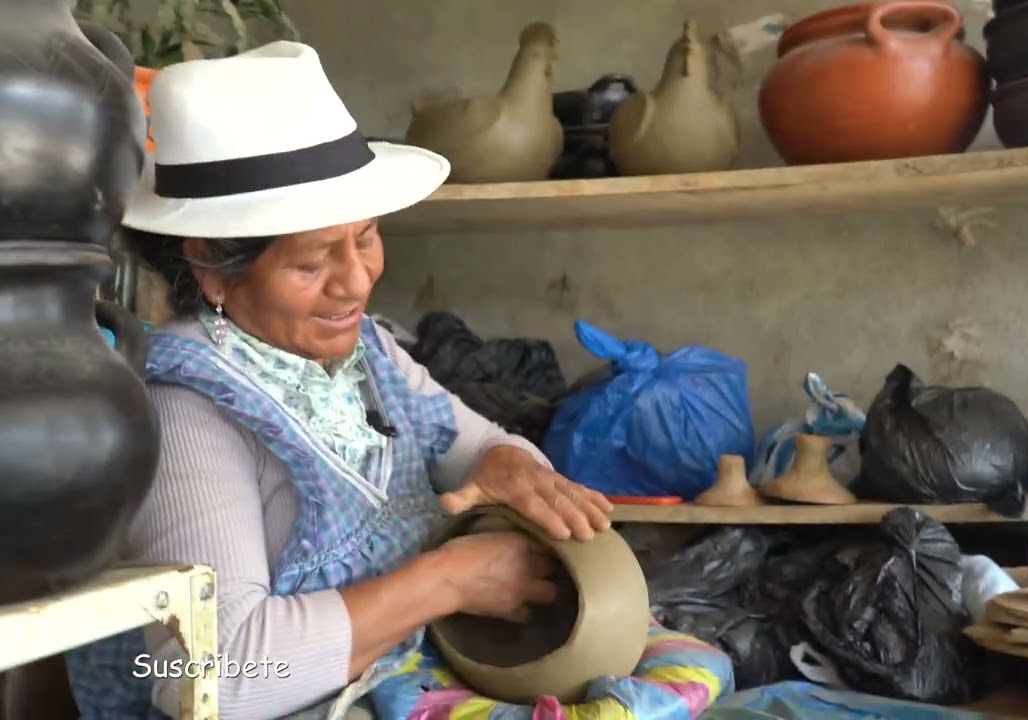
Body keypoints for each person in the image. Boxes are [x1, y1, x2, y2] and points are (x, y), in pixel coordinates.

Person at [62, 41, 618, 720]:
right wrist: (450, 581)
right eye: (314, 260)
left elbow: (477, 448)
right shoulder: (186, 414)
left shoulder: (370, 354)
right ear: (211, 265)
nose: (356, 280)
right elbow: (215, 679)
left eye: (366, 237)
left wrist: (510, 464)